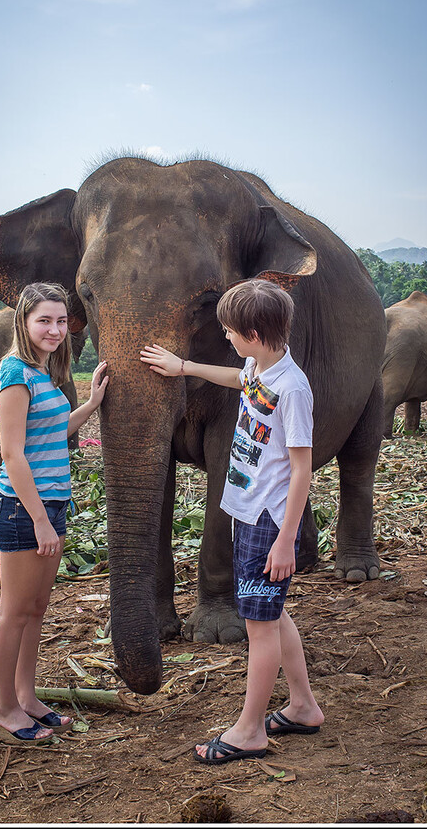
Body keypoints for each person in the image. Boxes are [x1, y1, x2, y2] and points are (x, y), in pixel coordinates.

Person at [140, 278, 324, 764]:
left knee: (258, 625)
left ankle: (249, 731)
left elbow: (303, 469)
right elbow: (237, 379)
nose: (226, 338)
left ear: (255, 332)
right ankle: (303, 706)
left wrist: (285, 541)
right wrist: (182, 368)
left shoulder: (293, 389)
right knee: (272, 613)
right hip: (247, 512)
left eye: (230, 332)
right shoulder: (258, 367)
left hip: (269, 523)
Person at [0, 283, 109, 745]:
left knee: (36, 610)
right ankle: (4, 708)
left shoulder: (42, 372)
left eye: (61, 321)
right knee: (14, 612)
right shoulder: (16, 374)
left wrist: (92, 406)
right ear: (24, 320)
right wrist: (38, 518)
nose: (55, 329)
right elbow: (12, 455)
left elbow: (55, 431)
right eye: (45, 320)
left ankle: (27, 696)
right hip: (23, 509)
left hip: (50, 505)